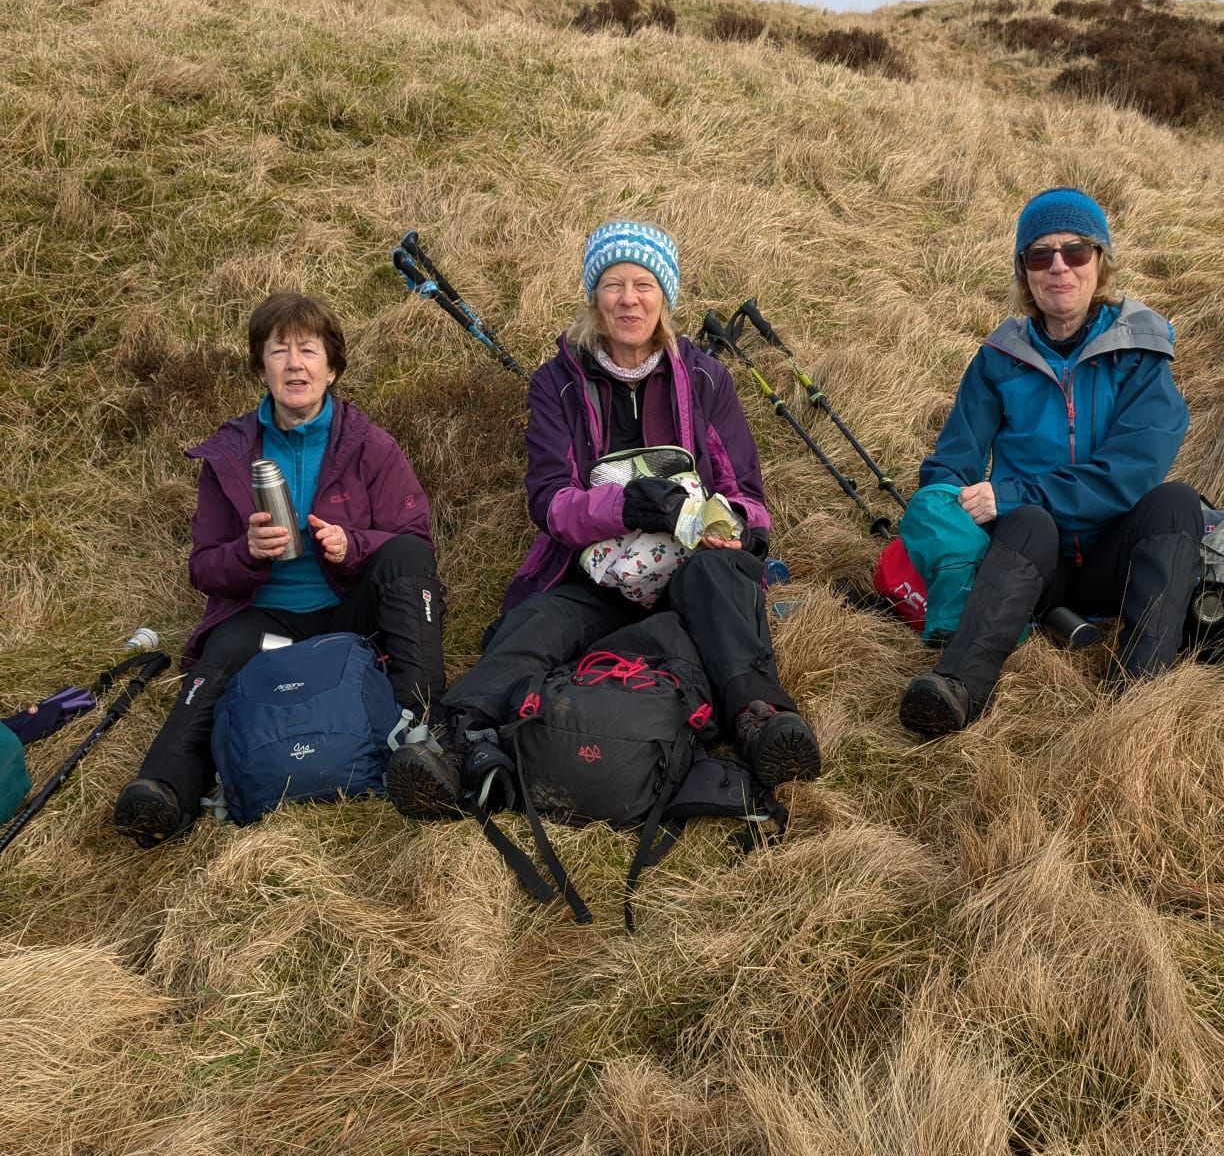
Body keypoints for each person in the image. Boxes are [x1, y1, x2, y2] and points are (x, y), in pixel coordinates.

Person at [387, 219, 820, 817]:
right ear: (594, 296)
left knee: (719, 578)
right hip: (592, 575)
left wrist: (734, 529)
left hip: (691, 579)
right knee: (537, 622)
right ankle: (457, 743)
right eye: (613, 284)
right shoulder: (557, 383)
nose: (628, 300)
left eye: (644, 285)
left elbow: (746, 493)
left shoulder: (705, 379)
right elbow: (549, 501)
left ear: (664, 297)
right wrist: (629, 505)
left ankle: (760, 720)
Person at [113, 291, 445, 845]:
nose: (295, 364)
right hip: (267, 623)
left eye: (308, 350)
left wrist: (353, 545)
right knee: (219, 659)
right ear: (260, 368)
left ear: (331, 368)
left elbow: (415, 542)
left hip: (349, 619)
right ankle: (164, 791)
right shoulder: (229, 455)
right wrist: (247, 552)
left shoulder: (370, 446)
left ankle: (424, 740)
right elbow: (203, 568)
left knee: (407, 558)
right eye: (279, 351)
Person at [899, 187, 1203, 736]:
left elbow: (1130, 475)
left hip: (1115, 559)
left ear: (1100, 262)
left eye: (1075, 251)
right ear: (1025, 272)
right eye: (1040, 255)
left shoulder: (1142, 356)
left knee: (1176, 503)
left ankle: (1140, 695)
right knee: (1031, 522)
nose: (1058, 266)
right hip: (1028, 564)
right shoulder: (997, 359)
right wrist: (945, 516)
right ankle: (958, 685)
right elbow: (951, 463)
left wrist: (1011, 494)